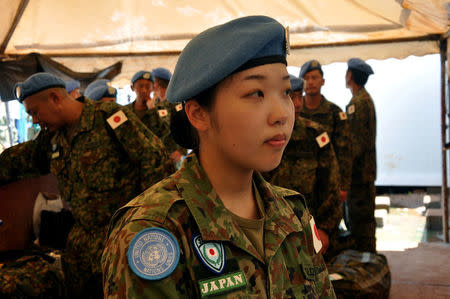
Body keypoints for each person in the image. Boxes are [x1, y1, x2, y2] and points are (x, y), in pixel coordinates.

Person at [102, 15, 335, 298]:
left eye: (285, 91)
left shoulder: (293, 213)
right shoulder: (155, 232)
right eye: (256, 93)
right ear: (199, 114)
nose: (282, 114)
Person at [0, 72, 174, 298]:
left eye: (34, 111)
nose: (33, 119)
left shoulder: (108, 117)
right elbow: (21, 159)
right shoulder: (53, 137)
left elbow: (155, 159)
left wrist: (148, 223)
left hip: (123, 239)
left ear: (55, 98)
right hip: (83, 245)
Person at [264, 75, 342, 259]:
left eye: (300, 97)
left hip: (309, 227)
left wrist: (325, 229)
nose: (297, 104)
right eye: (291, 97)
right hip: (271, 230)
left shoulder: (315, 134)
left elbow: (330, 185)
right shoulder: (263, 134)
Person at [299, 60, 352, 204]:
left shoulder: (335, 113)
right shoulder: (292, 111)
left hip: (327, 185)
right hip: (297, 185)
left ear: (322, 81)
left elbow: (344, 152)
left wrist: (343, 186)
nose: (310, 82)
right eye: (306, 78)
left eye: (314, 77)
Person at [345, 58, 377, 253]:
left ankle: (366, 265)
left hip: (359, 175)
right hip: (365, 172)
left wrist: (345, 174)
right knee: (363, 220)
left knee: (360, 223)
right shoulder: (364, 99)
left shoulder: (358, 103)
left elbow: (355, 144)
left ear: (350, 76)